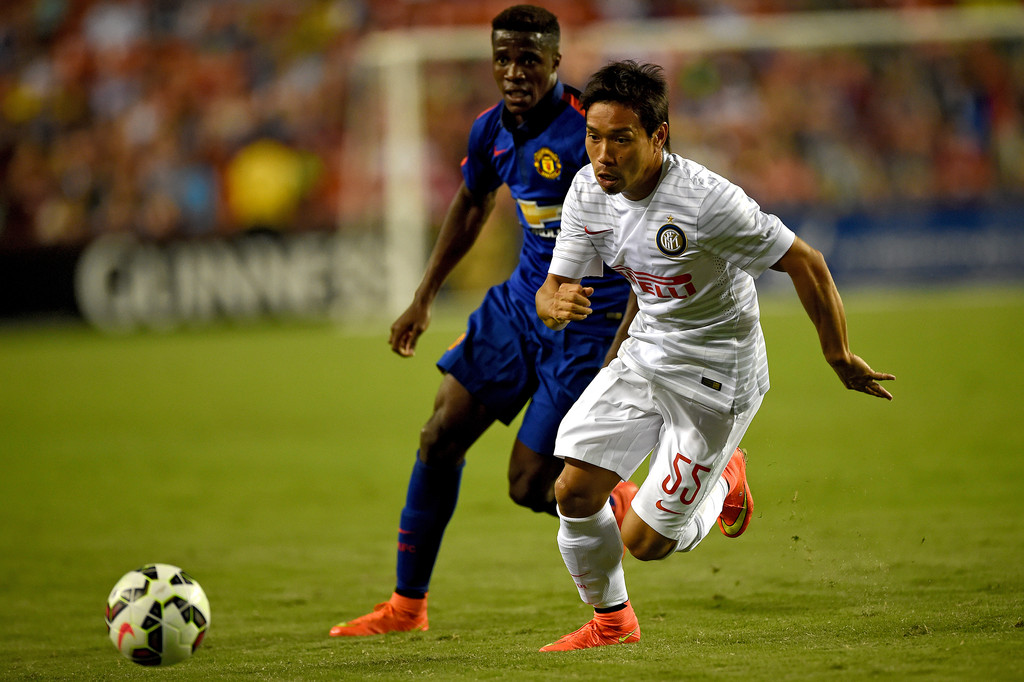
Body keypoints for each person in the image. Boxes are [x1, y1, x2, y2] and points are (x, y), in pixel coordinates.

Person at [534, 60, 895, 652]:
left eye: (620, 139)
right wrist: (557, 304)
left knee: (644, 543)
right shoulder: (586, 191)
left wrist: (838, 354)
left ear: (658, 136)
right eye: (593, 137)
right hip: (647, 353)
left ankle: (727, 480)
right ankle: (612, 623)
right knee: (572, 492)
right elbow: (553, 291)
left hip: (717, 374)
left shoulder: (706, 202)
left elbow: (805, 261)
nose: (602, 155)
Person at [329, 6, 637, 637]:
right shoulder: (489, 130)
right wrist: (424, 294)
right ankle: (406, 607)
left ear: (555, 62)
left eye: (528, 59)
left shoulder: (591, 132)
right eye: (503, 59)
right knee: (440, 434)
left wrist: (629, 333)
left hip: (588, 320)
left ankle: (673, 497)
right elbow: (472, 203)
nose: (514, 71)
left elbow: (644, 224)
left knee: (532, 486)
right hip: (522, 303)